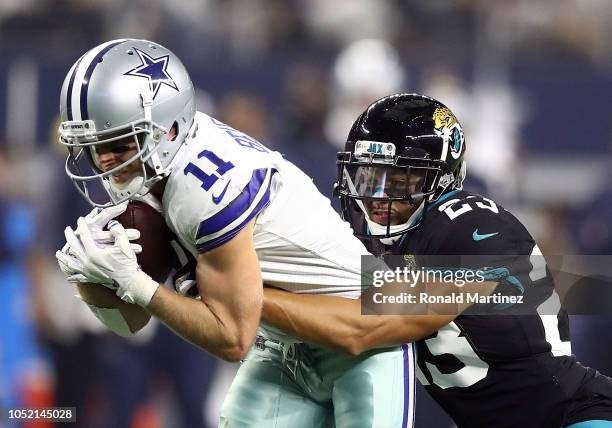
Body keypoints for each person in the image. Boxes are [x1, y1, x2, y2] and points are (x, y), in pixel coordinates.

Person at [54, 39, 415, 427]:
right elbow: (130, 323)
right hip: (281, 344)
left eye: (119, 143)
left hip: (360, 336)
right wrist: (89, 277)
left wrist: (139, 286)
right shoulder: (164, 162)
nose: (105, 161)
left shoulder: (199, 188)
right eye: (93, 147)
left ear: (168, 129)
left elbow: (232, 338)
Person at [261, 93, 612, 428]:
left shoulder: (473, 228)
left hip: (573, 416)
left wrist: (250, 296)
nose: (378, 197)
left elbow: (360, 327)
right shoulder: (390, 240)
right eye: (369, 178)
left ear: (441, 178)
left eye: (398, 181)